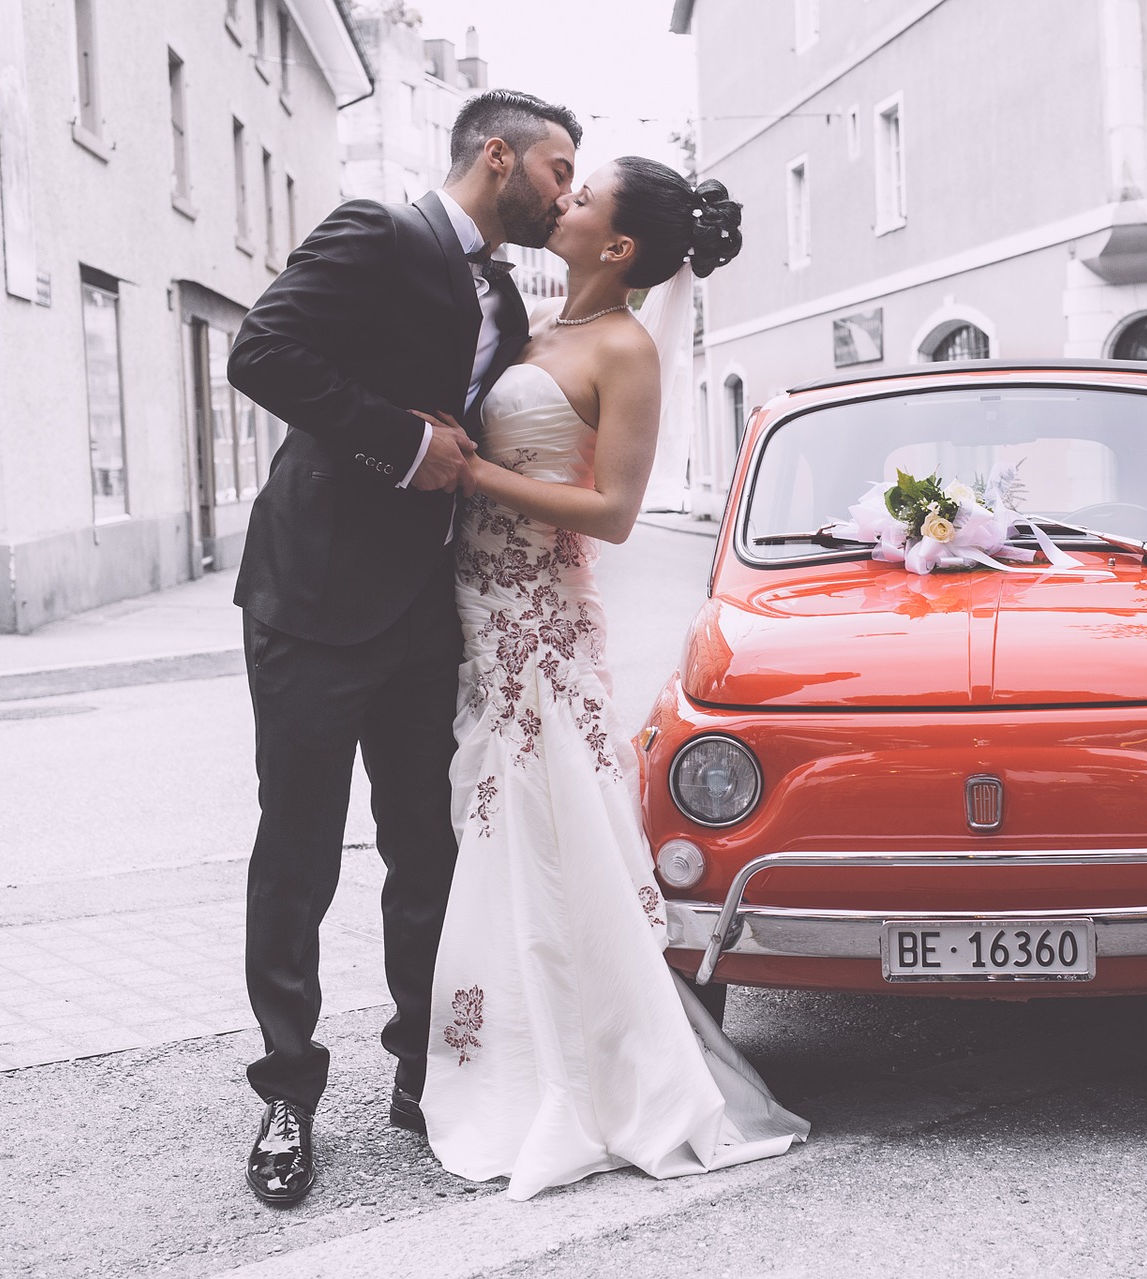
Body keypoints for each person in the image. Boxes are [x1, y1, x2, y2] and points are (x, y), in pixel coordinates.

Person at [415, 157, 809, 1200]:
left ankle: (580, 1073)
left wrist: (471, 470)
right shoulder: (536, 321)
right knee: (491, 825)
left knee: (553, 828)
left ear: (621, 246)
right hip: (477, 608)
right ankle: (496, 1045)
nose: (565, 201)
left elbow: (615, 512)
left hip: (540, 623)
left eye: (583, 198)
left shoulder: (626, 348)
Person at [225, 90, 581, 1208]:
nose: (566, 194)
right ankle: (288, 1091)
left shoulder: (505, 290)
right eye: (559, 171)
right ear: (498, 157)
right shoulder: (376, 230)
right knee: (299, 854)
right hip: (312, 598)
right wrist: (397, 441)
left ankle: (423, 1074)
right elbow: (261, 352)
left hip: (428, 607)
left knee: (428, 850)